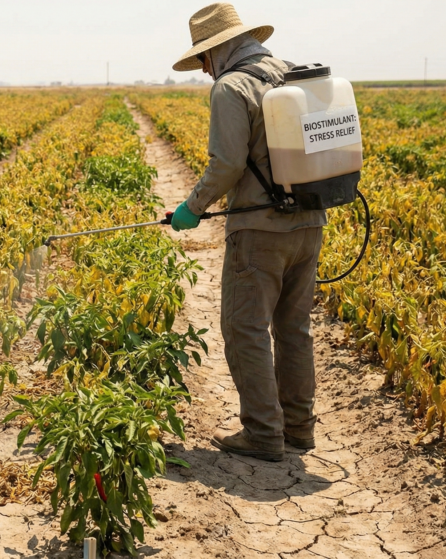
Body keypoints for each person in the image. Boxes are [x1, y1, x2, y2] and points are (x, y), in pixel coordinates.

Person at [169, 3, 326, 462]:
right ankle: (299, 428)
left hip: (259, 231)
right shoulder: (294, 73)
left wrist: (192, 207)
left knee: (245, 328)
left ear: (216, 51)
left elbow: (227, 165)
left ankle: (262, 433)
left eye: (201, 60)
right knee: (295, 328)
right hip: (310, 221)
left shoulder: (231, 87)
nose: (202, 70)